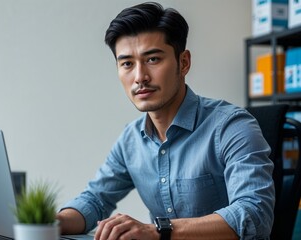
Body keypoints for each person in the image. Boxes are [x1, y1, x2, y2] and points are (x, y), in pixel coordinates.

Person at [57, 2, 274, 240]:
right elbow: (95, 199)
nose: (140, 77)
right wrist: (50, 223)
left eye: (152, 59)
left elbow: (254, 215)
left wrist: (159, 230)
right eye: (127, 63)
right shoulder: (131, 139)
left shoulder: (232, 127)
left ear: (183, 63)